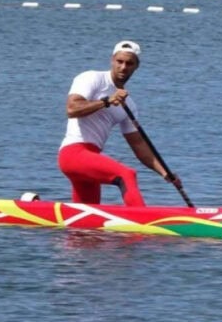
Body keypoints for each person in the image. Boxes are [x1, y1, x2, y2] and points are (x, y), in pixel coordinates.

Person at [58, 40, 181, 206]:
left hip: (91, 158)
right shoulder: (91, 78)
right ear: (112, 60)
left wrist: (164, 172)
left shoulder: (129, 104)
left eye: (129, 63)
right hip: (73, 154)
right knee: (126, 174)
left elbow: (139, 145)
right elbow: (72, 109)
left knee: (87, 218)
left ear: (136, 66)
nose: (123, 67)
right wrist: (107, 101)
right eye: (120, 61)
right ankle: (141, 224)